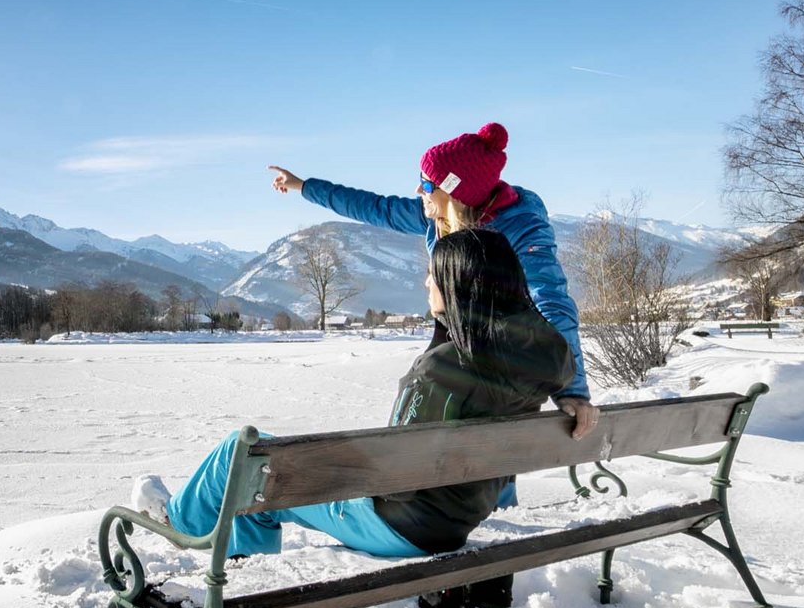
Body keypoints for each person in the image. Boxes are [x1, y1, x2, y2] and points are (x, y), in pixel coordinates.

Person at [165, 229, 575, 566]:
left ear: (458, 283)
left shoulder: (444, 368)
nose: (426, 282)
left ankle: (178, 525)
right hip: (458, 517)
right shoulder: (540, 359)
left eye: (433, 274)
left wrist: (339, 470)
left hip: (402, 526)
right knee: (270, 471)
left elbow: (394, 481)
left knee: (244, 461)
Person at [267, 122, 599, 462]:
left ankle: (477, 496)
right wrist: (305, 186)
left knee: (478, 428)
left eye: (427, 183)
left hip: (501, 356)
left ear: (454, 190)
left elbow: (552, 301)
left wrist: (572, 392)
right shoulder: (434, 217)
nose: (418, 189)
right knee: (427, 407)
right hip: (457, 342)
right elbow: (372, 206)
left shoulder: (521, 228)